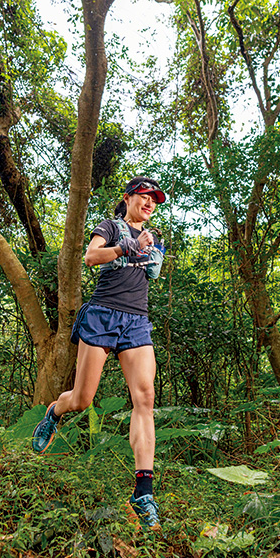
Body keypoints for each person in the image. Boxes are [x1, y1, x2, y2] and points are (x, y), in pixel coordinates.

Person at [32, 176, 166, 530]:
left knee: (145, 397)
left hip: (137, 320)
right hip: (103, 314)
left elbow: (152, 271)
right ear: (128, 198)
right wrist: (125, 247)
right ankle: (55, 409)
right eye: (144, 196)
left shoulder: (157, 238)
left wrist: (149, 250)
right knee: (82, 399)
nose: (149, 202)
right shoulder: (110, 226)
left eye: (154, 199)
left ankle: (143, 492)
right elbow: (91, 257)